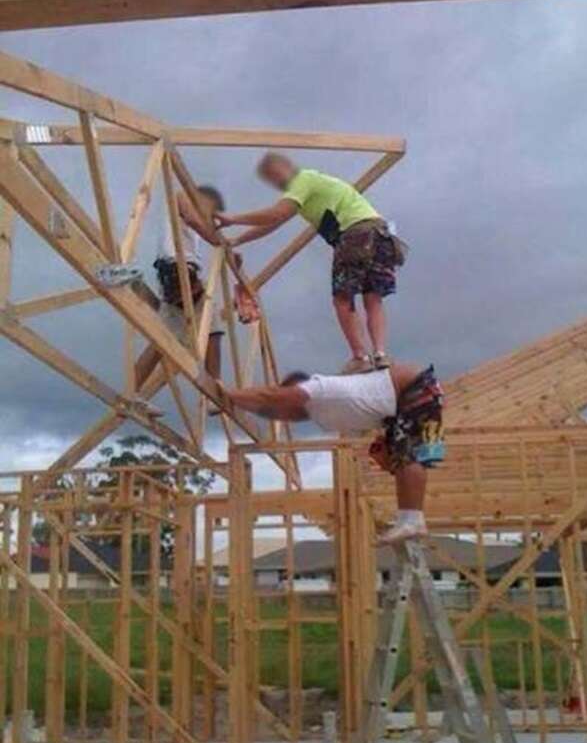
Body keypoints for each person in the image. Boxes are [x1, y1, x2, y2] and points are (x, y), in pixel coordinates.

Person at [214, 153, 405, 375]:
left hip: (355, 235)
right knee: (373, 297)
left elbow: (277, 213)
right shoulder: (314, 184)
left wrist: (233, 219)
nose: (277, 182)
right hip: (380, 235)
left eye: (275, 174)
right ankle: (380, 355)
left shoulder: (302, 180)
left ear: (287, 167)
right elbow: (274, 222)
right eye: (271, 178)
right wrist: (238, 239)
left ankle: (360, 357)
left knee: (343, 299)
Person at [224, 362, 444, 544]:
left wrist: (228, 395)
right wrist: (241, 405)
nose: (286, 413)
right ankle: (410, 519)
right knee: (403, 455)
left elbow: (271, 398)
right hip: (402, 400)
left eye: (287, 398)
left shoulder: (317, 389)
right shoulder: (323, 414)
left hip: (413, 387)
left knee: (409, 454)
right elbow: (271, 408)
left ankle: (412, 520)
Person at [134, 184, 226, 391]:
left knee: (162, 340)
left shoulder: (185, 226)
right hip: (179, 270)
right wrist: (222, 243)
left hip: (172, 274)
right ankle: (215, 385)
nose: (208, 216)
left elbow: (195, 224)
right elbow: (194, 220)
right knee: (213, 327)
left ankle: (132, 392)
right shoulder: (181, 195)